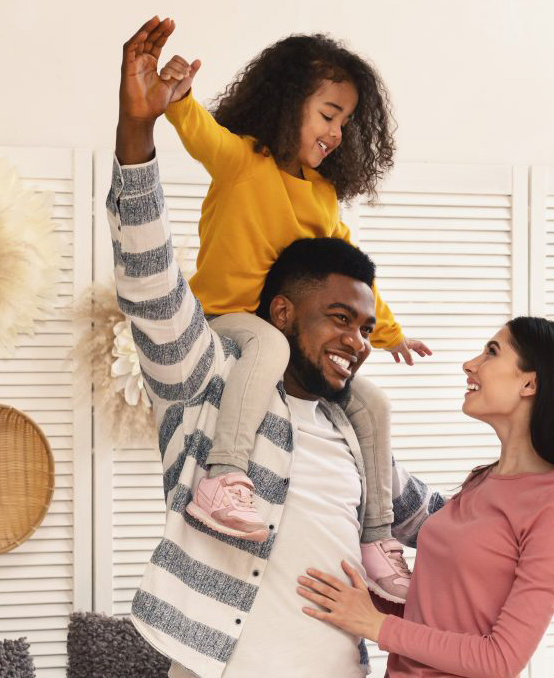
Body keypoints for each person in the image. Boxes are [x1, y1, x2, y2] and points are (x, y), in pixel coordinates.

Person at [110, 17, 554, 678]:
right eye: (339, 319)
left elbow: (452, 528)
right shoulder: (210, 381)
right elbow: (148, 277)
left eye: (366, 328)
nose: (356, 342)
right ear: (282, 311)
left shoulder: (351, 431)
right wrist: (137, 132)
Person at [155, 26, 429, 603]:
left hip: (280, 338)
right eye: (329, 114)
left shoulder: (322, 196)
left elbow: (349, 275)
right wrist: (178, 98)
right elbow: (201, 134)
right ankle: (223, 477)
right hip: (226, 322)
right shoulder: (243, 162)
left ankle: (377, 539)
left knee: (371, 401)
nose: (336, 132)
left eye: (346, 122)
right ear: (289, 104)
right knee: (270, 346)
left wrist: (391, 332)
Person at [297, 317, 554, 678]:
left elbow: (500, 661)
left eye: (491, 352)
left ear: (529, 382)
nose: (470, 364)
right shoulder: (482, 481)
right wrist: (364, 602)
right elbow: (444, 604)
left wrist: (375, 623)